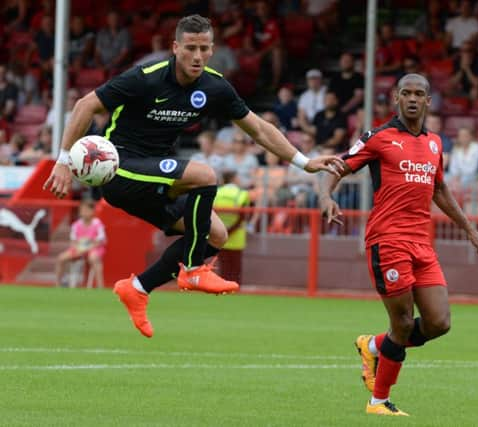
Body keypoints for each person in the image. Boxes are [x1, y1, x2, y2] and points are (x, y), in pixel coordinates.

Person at [43, 15, 344, 339]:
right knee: (205, 174)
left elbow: (258, 128)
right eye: (190, 48)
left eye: (204, 48)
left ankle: (138, 288)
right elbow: (86, 104)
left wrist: (304, 161)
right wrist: (62, 159)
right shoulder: (146, 78)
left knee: (215, 234)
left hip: (154, 175)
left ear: (212, 49)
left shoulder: (214, 86)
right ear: (175, 48)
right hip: (120, 168)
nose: (197, 56)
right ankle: (194, 270)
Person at [319, 74, 478, 416]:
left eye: (419, 94)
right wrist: (326, 196)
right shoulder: (378, 138)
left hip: (421, 244)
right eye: (406, 93)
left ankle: (372, 345)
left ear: (428, 101)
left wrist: (469, 229)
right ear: (397, 98)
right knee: (402, 323)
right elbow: (337, 167)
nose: (412, 99)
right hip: (388, 241)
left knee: (439, 321)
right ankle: (378, 402)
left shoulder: (435, 143)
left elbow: (439, 189)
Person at [55, 199, 106, 288]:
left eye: (86, 210)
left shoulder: (97, 223)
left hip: (94, 249)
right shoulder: (76, 225)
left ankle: (100, 286)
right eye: (82, 210)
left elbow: (100, 241)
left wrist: (88, 248)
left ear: (92, 211)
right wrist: (78, 249)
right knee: (61, 258)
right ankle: (58, 284)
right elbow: (73, 241)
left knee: (94, 258)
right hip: (78, 249)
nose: (84, 212)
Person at [213, 170, 250, 284]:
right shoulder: (242, 194)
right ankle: (235, 287)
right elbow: (243, 216)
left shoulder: (216, 192)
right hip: (237, 234)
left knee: (224, 265)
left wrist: (223, 229)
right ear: (233, 179)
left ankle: (223, 286)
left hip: (219, 233)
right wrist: (231, 229)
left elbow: (212, 213)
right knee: (236, 265)